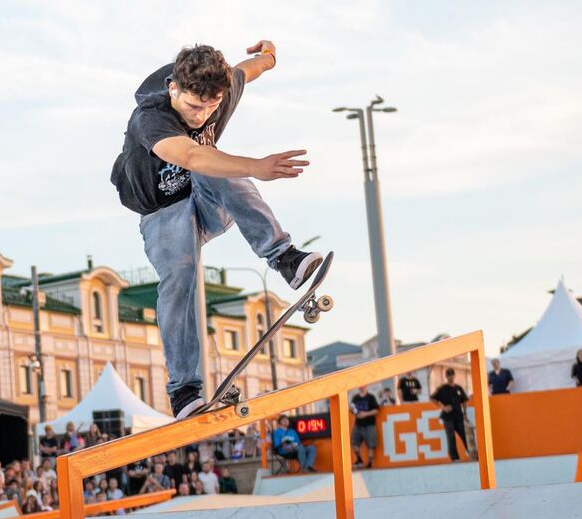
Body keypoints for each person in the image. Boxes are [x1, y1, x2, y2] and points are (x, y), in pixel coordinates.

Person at [108, 41, 326, 418]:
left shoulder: (220, 92)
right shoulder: (150, 118)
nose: (201, 116)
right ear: (174, 88)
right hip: (163, 215)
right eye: (194, 107)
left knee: (220, 170)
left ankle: (286, 259)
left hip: (208, 202)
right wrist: (257, 166)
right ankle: (184, 389)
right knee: (179, 276)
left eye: (210, 107)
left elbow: (248, 70)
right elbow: (190, 154)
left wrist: (269, 56)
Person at [430, 370, 471, 462]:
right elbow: (432, 398)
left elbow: (464, 401)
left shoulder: (459, 388)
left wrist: (465, 414)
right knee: (451, 437)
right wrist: (443, 407)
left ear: (454, 375)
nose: (450, 377)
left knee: (465, 435)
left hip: (459, 416)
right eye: (449, 375)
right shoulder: (442, 388)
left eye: (452, 375)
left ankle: (471, 453)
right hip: (448, 417)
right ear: (446, 377)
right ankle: (455, 457)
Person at [349, 389, 380, 468]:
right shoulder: (355, 397)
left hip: (369, 424)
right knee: (353, 442)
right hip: (358, 424)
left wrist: (365, 414)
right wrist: (356, 413)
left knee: (371, 445)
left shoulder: (371, 397)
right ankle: (359, 459)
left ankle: (370, 463)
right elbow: (352, 408)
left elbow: (376, 410)